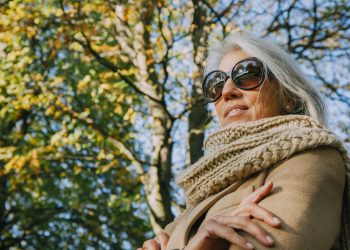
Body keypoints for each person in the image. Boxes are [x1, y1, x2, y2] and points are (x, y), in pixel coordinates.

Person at [138, 32, 350, 250]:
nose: (227, 91)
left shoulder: (313, 156)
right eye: (216, 83)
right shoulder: (199, 198)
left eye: (248, 73)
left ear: (288, 97)